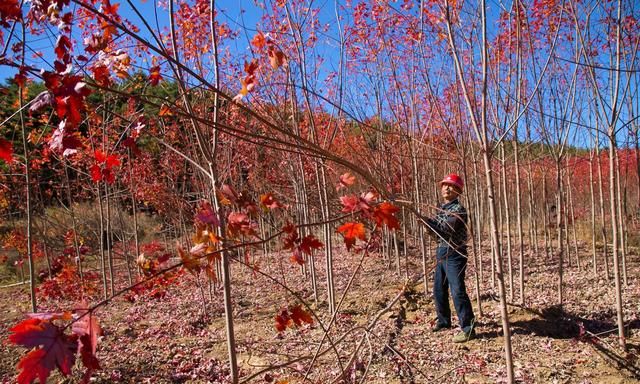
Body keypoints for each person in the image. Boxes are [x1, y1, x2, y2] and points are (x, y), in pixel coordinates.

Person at [423, 173, 476, 343]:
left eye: (451, 186)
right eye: (445, 185)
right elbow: (438, 236)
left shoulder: (459, 210)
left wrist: (427, 222)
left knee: (457, 290)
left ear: (458, 191)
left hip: (455, 254)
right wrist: (428, 226)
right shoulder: (441, 209)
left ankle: (468, 328)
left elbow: (446, 230)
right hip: (441, 252)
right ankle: (444, 321)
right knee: (439, 288)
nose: (447, 188)